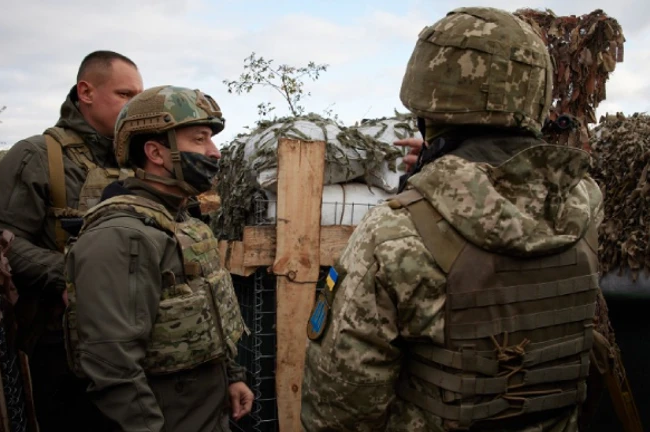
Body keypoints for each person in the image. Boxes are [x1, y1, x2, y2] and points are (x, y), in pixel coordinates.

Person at [301, 6, 603, 432]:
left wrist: (428, 182)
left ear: (429, 96)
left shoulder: (394, 233)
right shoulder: (585, 206)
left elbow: (338, 409)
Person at [62, 85, 254, 431]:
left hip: (208, 409)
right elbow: (112, 365)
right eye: (199, 140)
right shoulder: (122, 236)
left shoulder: (183, 222)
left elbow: (205, 312)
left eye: (211, 140)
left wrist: (231, 377)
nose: (214, 153)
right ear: (155, 152)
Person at [0, 50, 144, 431]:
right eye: (125, 94)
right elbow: (0, 239)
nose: (134, 105)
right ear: (86, 92)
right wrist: (73, 277)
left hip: (132, 336)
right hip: (63, 343)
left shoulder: (134, 161)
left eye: (139, 96)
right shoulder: (37, 155)